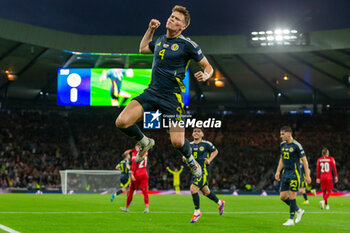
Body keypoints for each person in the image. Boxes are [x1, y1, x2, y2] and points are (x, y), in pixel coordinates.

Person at [115, 5, 214, 178]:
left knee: (177, 142)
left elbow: (207, 66)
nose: (171, 19)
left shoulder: (187, 45)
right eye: (171, 16)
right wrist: (150, 29)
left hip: (172, 98)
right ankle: (145, 142)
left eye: (176, 19)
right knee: (121, 122)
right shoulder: (160, 40)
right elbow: (143, 48)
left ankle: (190, 159)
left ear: (183, 27)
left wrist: (207, 75)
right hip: (151, 93)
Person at [275, 126, 311, 226]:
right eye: (280, 134)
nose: (280, 136)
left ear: (289, 134)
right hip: (285, 173)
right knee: (282, 197)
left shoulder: (297, 146)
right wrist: (278, 171)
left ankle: (291, 219)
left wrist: (307, 175)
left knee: (292, 195)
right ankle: (298, 210)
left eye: (282, 134)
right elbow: (281, 159)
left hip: (294, 173)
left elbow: (304, 160)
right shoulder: (282, 145)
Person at [187, 127, 224, 223]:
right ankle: (220, 203)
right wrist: (185, 158)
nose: (196, 133)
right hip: (195, 172)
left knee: (193, 188)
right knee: (206, 192)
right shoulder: (189, 145)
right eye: (194, 131)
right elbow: (185, 155)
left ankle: (197, 212)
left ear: (202, 135)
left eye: (199, 131)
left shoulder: (206, 144)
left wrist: (209, 160)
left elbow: (215, 151)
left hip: (203, 171)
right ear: (192, 134)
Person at [120, 143, 149, 213]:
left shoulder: (134, 154)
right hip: (144, 174)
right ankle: (147, 208)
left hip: (136, 174)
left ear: (137, 147)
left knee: (131, 191)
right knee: (145, 192)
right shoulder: (146, 152)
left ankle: (127, 208)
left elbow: (134, 165)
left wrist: (132, 174)